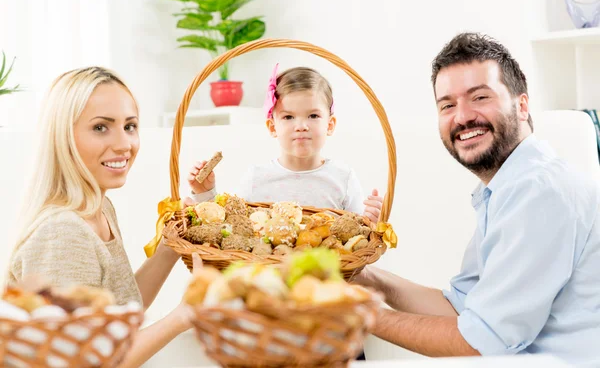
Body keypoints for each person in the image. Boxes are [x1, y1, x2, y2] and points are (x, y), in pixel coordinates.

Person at [353, 32, 600, 367]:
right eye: (448, 105)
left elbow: (481, 343)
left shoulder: (539, 191)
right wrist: (364, 275)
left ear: (522, 105)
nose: (463, 117)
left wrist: (355, 312)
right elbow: (461, 308)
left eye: (479, 97)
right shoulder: (504, 189)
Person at [6, 67, 201, 367]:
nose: (124, 144)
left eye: (130, 126)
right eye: (100, 127)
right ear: (63, 137)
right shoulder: (62, 233)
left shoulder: (98, 208)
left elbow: (121, 311)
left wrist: (169, 248)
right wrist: (184, 315)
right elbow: (83, 363)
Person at [187, 64, 384, 223]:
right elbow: (228, 227)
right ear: (272, 127)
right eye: (288, 117)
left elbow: (358, 236)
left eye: (313, 115)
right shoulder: (256, 178)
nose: (301, 126)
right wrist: (204, 192)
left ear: (330, 124)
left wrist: (371, 220)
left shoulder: (343, 178)